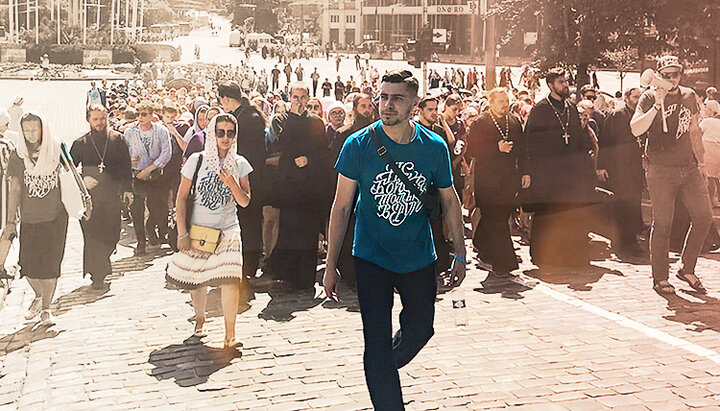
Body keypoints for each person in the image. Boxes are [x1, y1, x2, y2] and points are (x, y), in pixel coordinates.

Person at [324, 70, 466, 409]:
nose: (386, 105)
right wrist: (330, 265)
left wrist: (460, 254)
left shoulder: (432, 147)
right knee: (375, 340)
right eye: (383, 97)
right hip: (371, 256)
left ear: (413, 104)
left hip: (418, 255)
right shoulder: (357, 144)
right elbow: (341, 206)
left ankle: (381, 366)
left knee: (421, 328)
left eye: (396, 98)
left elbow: (450, 201)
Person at [166, 114, 253, 348]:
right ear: (212, 133)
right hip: (200, 228)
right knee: (199, 279)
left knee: (230, 280)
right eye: (220, 132)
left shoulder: (240, 163)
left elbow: (245, 201)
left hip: (228, 228)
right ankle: (200, 319)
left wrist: (233, 184)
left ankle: (230, 334)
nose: (225, 138)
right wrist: (182, 232)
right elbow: (181, 198)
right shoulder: (197, 160)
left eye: (230, 133)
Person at [630, 55, 712, 294]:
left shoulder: (689, 95)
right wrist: (657, 105)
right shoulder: (648, 97)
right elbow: (636, 128)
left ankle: (686, 268)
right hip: (660, 169)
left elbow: (694, 130)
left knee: (704, 217)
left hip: (688, 168)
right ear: (659, 75)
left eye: (675, 74)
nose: (672, 79)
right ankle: (660, 277)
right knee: (663, 224)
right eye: (666, 75)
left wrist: (702, 164)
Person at [522, 68, 598, 268]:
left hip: (568, 174)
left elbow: (577, 139)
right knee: (547, 215)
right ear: (550, 85)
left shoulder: (570, 108)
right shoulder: (540, 110)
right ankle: (542, 255)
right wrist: (529, 171)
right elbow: (529, 143)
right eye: (561, 82)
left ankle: (567, 255)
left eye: (565, 81)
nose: (565, 85)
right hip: (547, 173)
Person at [6, 113, 69, 325]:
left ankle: (46, 309)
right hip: (30, 217)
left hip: (55, 216)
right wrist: (10, 220)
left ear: (43, 128)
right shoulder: (18, 155)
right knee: (29, 266)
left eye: (35, 129)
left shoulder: (57, 148)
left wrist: (82, 203)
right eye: (27, 130)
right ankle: (39, 296)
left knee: (51, 264)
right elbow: (15, 188)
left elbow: (70, 177)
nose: (31, 134)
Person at [265, 82, 328, 292]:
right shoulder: (283, 119)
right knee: (289, 230)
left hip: (309, 187)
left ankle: (304, 279)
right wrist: (292, 115)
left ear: (308, 98)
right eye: (295, 97)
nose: (299, 101)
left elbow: (323, 152)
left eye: (302, 97)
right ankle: (287, 276)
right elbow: (281, 144)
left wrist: (309, 160)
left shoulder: (317, 122)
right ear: (289, 98)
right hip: (290, 186)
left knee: (307, 232)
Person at [467, 88, 530, 279]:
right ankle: (503, 263)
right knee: (498, 220)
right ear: (491, 102)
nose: (504, 104)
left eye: (506, 101)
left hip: (508, 179)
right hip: (487, 181)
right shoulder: (481, 122)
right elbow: (472, 150)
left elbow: (522, 149)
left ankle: (482, 247)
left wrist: (525, 172)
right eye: (501, 101)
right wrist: (496, 148)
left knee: (497, 218)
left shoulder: (514, 121)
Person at [70, 105, 132, 289]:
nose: (100, 122)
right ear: (88, 120)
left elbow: (126, 166)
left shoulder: (118, 140)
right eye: (95, 119)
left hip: (112, 196)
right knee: (92, 236)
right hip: (90, 200)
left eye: (103, 118)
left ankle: (102, 264)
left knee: (112, 235)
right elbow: (68, 171)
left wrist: (128, 189)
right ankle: (97, 275)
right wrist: (82, 180)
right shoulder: (80, 143)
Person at [218, 82, 267, 299]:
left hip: (247, 179)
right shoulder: (245, 115)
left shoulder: (247, 118)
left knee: (247, 224)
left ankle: (246, 269)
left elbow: (245, 152)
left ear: (226, 99)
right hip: (240, 177)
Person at [597, 87, 645, 259]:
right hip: (618, 168)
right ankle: (620, 244)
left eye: (640, 96)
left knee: (633, 206)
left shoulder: (641, 115)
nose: (638, 99)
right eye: (634, 96)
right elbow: (606, 141)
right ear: (626, 98)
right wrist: (601, 167)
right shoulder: (617, 115)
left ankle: (631, 242)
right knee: (620, 207)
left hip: (635, 169)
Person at [124, 100, 172, 255]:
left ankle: (152, 231)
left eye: (144, 114)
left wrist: (150, 169)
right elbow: (123, 153)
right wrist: (130, 161)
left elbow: (166, 153)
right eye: (138, 114)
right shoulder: (130, 133)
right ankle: (140, 242)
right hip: (136, 175)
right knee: (136, 210)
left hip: (155, 176)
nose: (140, 117)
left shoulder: (161, 131)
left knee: (157, 208)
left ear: (152, 115)